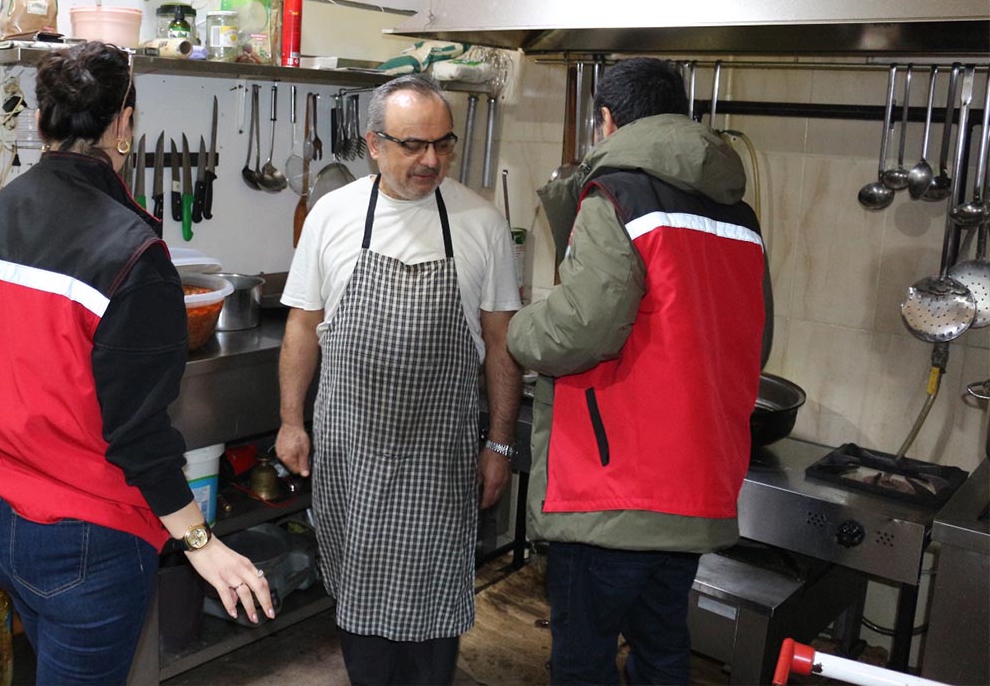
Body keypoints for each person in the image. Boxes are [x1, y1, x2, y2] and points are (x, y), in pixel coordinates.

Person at [0, 41, 272, 684]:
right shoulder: (132, 251)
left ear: (41, 122)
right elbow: (138, 436)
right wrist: (201, 542)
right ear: (124, 124)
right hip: (87, 539)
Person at [506, 57, 770, 685]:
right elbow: (754, 344)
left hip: (614, 488)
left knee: (583, 660)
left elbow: (580, 330)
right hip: (695, 485)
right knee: (663, 650)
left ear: (606, 120)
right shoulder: (738, 214)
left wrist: (517, 329)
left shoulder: (618, 195)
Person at [276, 74, 524, 685]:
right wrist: (290, 422)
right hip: (351, 450)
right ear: (374, 144)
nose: (431, 160)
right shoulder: (332, 214)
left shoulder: (481, 222)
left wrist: (499, 444)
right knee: (358, 591)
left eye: (443, 144)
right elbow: (303, 326)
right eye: (413, 145)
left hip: (440, 456)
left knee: (434, 599)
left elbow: (501, 343)